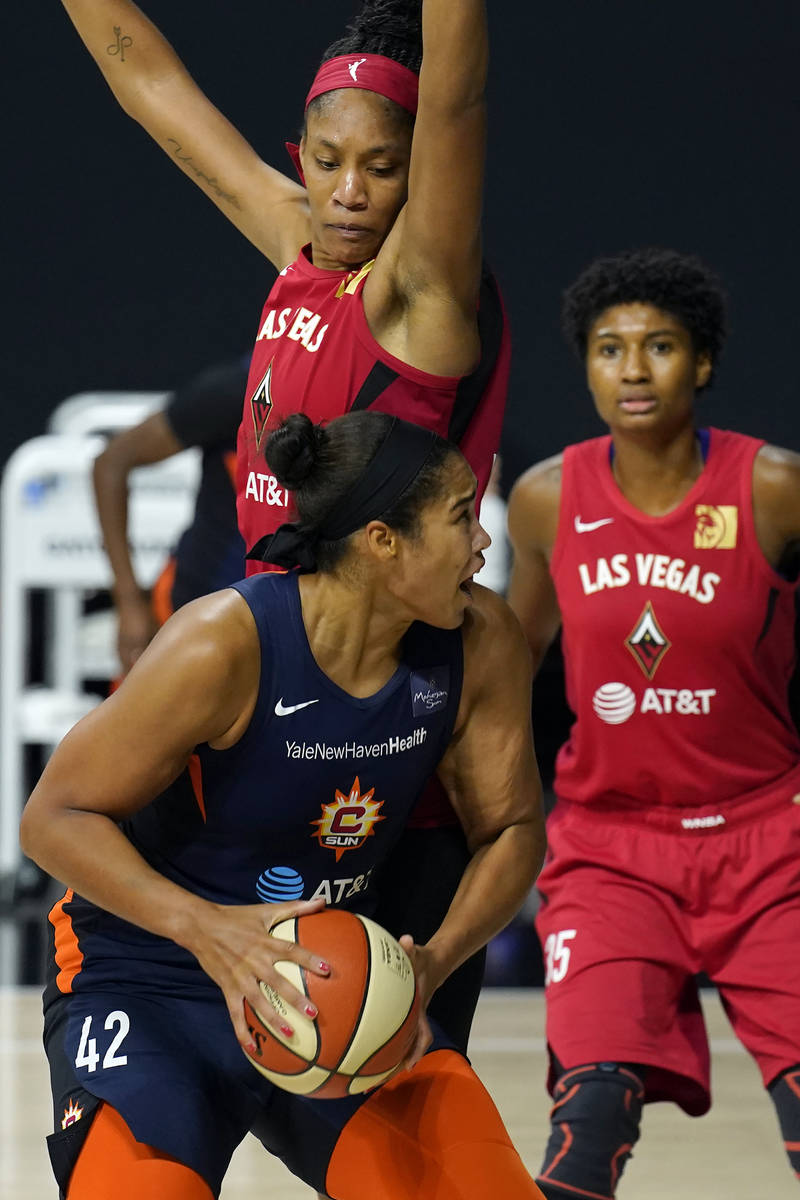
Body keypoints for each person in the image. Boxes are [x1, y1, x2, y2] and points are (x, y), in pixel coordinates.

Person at [60, 0, 509, 1066]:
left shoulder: (421, 294)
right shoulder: (298, 238)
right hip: (276, 711)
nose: (350, 190)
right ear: (297, 156)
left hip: (394, 748)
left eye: (384, 167)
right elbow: (152, 90)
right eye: (326, 159)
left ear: (420, 173)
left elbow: (453, 94)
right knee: (224, 1056)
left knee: (385, 1098)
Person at [22, 412, 545, 1200]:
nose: (482, 542)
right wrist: (206, 928)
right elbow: (51, 819)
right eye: (460, 516)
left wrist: (431, 962)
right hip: (152, 976)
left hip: (333, 976)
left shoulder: (479, 638)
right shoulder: (220, 645)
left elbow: (511, 829)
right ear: (382, 542)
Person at [506, 247, 800, 1198]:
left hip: (772, 843)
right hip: (612, 851)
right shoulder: (548, 500)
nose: (632, 370)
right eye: (608, 349)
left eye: (660, 346)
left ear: (702, 363)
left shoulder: (774, 489)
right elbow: (507, 668)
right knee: (586, 1122)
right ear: (585, 365)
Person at [92, 356, 249, 673]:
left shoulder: (360, 393)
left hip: (289, 617)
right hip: (195, 607)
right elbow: (111, 463)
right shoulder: (239, 389)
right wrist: (129, 601)